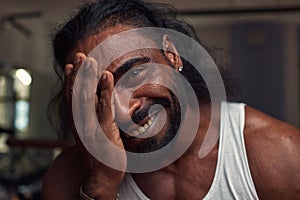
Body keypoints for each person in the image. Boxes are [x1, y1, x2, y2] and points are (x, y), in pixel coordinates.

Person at [42, 0, 300, 199]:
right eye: (99, 94)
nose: (123, 111)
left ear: (171, 54)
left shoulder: (279, 155)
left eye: (134, 74)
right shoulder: (69, 178)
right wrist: (101, 185)